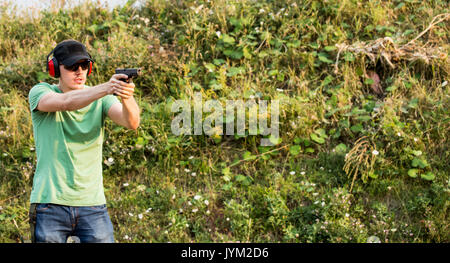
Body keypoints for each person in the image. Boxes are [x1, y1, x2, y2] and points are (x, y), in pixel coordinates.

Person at [28, 39, 140, 243]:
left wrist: (126, 96)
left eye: (84, 65)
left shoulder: (103, 98)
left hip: (93, 203)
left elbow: (131, 122)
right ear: (55, 68)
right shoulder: (40, 92)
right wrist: (107, 87)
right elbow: (66, 103)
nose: (79, 71)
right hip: (49, 202)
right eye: (71, 66)